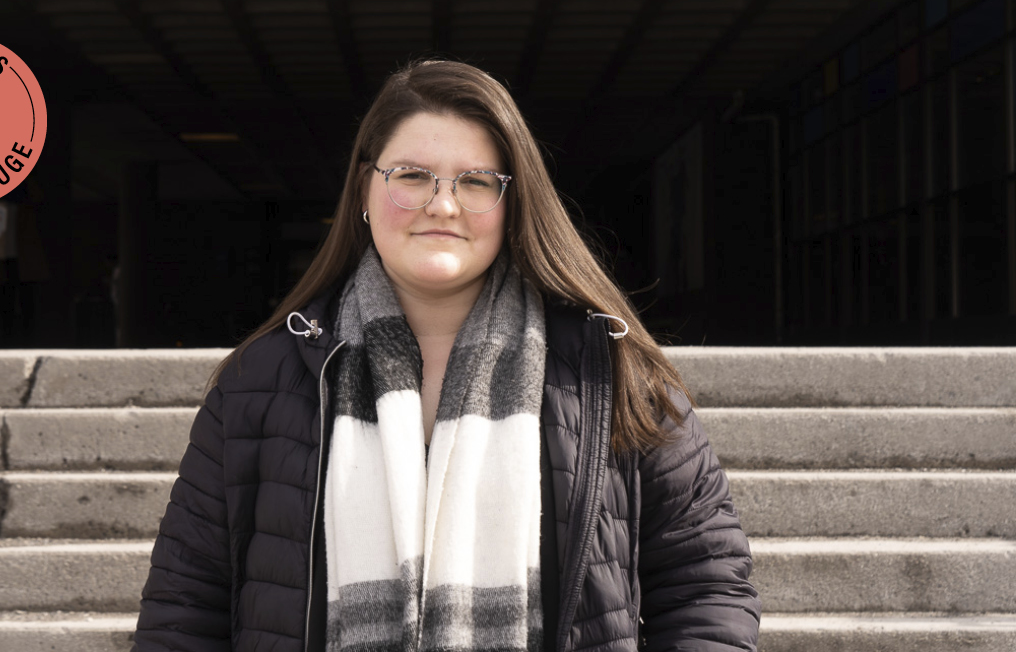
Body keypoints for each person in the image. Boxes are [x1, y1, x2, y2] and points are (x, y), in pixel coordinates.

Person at [133, 60, 761, 652]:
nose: (443, 204)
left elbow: (707, 584)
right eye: (410, 175)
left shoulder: (609, 371)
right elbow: (183, 609)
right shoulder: (259, 381)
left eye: (476, 181)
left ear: (512, 201)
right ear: (364, 190)